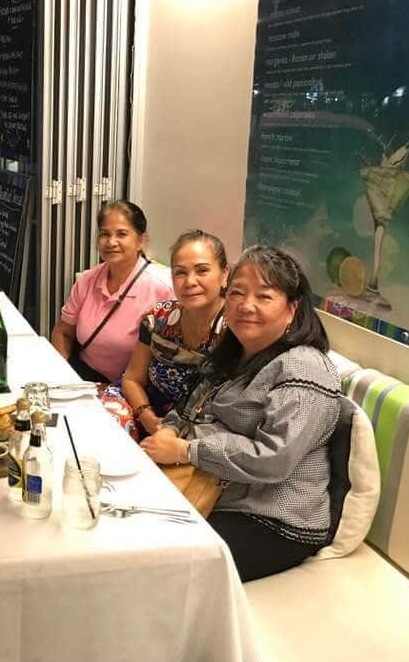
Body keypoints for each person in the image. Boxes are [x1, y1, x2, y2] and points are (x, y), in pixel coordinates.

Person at [140, 246, 341, 582]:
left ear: (292, 308)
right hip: (214, 492)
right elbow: (190, 408)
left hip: (274, 520)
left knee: (154, 568)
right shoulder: (236, 354)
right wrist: (168, 430)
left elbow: (274, 458)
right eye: (237, 293)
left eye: (264, 296)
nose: (246, 305)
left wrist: (187, 450)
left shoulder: (304, 367)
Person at [50, 200, 173, 383]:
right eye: (105, 234)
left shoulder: (164, 288)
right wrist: (65, 378)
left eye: (122, 234)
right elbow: (63, 332)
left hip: (133, 388)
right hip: (84, 379)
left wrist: (115, 390)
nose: (111, 242)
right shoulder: (87, 280)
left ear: (141, 241)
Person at [120, 230, 228, 436]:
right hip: (146, 408)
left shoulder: (236, 329)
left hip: (203, 426)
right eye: (180, 272)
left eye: (202, 270)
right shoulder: (159, 317)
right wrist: (147, 417)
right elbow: (132, 379)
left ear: (225, 275)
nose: (190, 281)